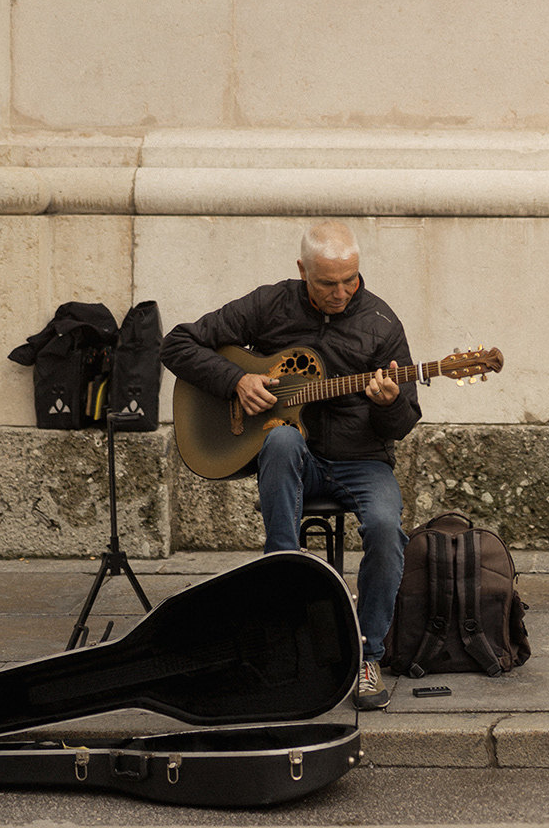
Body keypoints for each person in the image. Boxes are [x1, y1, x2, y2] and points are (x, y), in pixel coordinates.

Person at [160, 220, 419, 711]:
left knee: (387, 529)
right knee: (280, 438)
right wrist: (236, 380)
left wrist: (388, 403)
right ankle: (283, 594)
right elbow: (177, 343)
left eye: (350, 280)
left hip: (362, 460)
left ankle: (367, 655)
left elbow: (402, 424)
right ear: (303, 271)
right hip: (295, 458)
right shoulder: (270, 304)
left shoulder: (382, 324)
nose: (341, 293)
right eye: (327, 283)